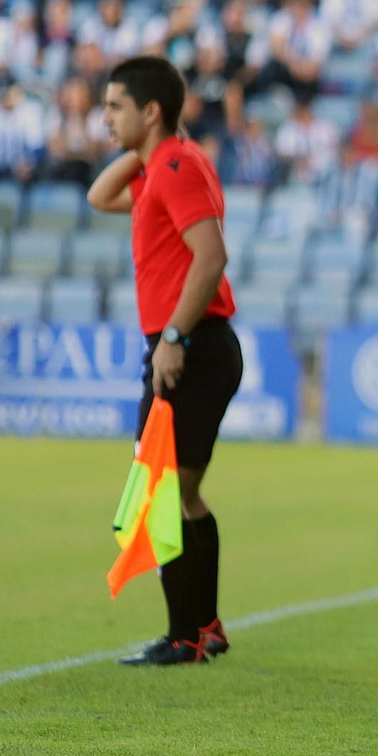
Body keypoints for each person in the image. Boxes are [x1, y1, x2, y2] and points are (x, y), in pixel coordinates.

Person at [89, 56, 244, 667]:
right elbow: (99, 196)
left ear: (150, 111)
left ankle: (186, 637)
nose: (105, 118)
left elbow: (211, 256)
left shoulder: (175, 167)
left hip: (190, 344)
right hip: (193, 343)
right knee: (182, 493)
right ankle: (204, 627)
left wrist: (174, 339)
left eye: (115, 107)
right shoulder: (165, 165)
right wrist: (144, 147)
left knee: (162, 491)